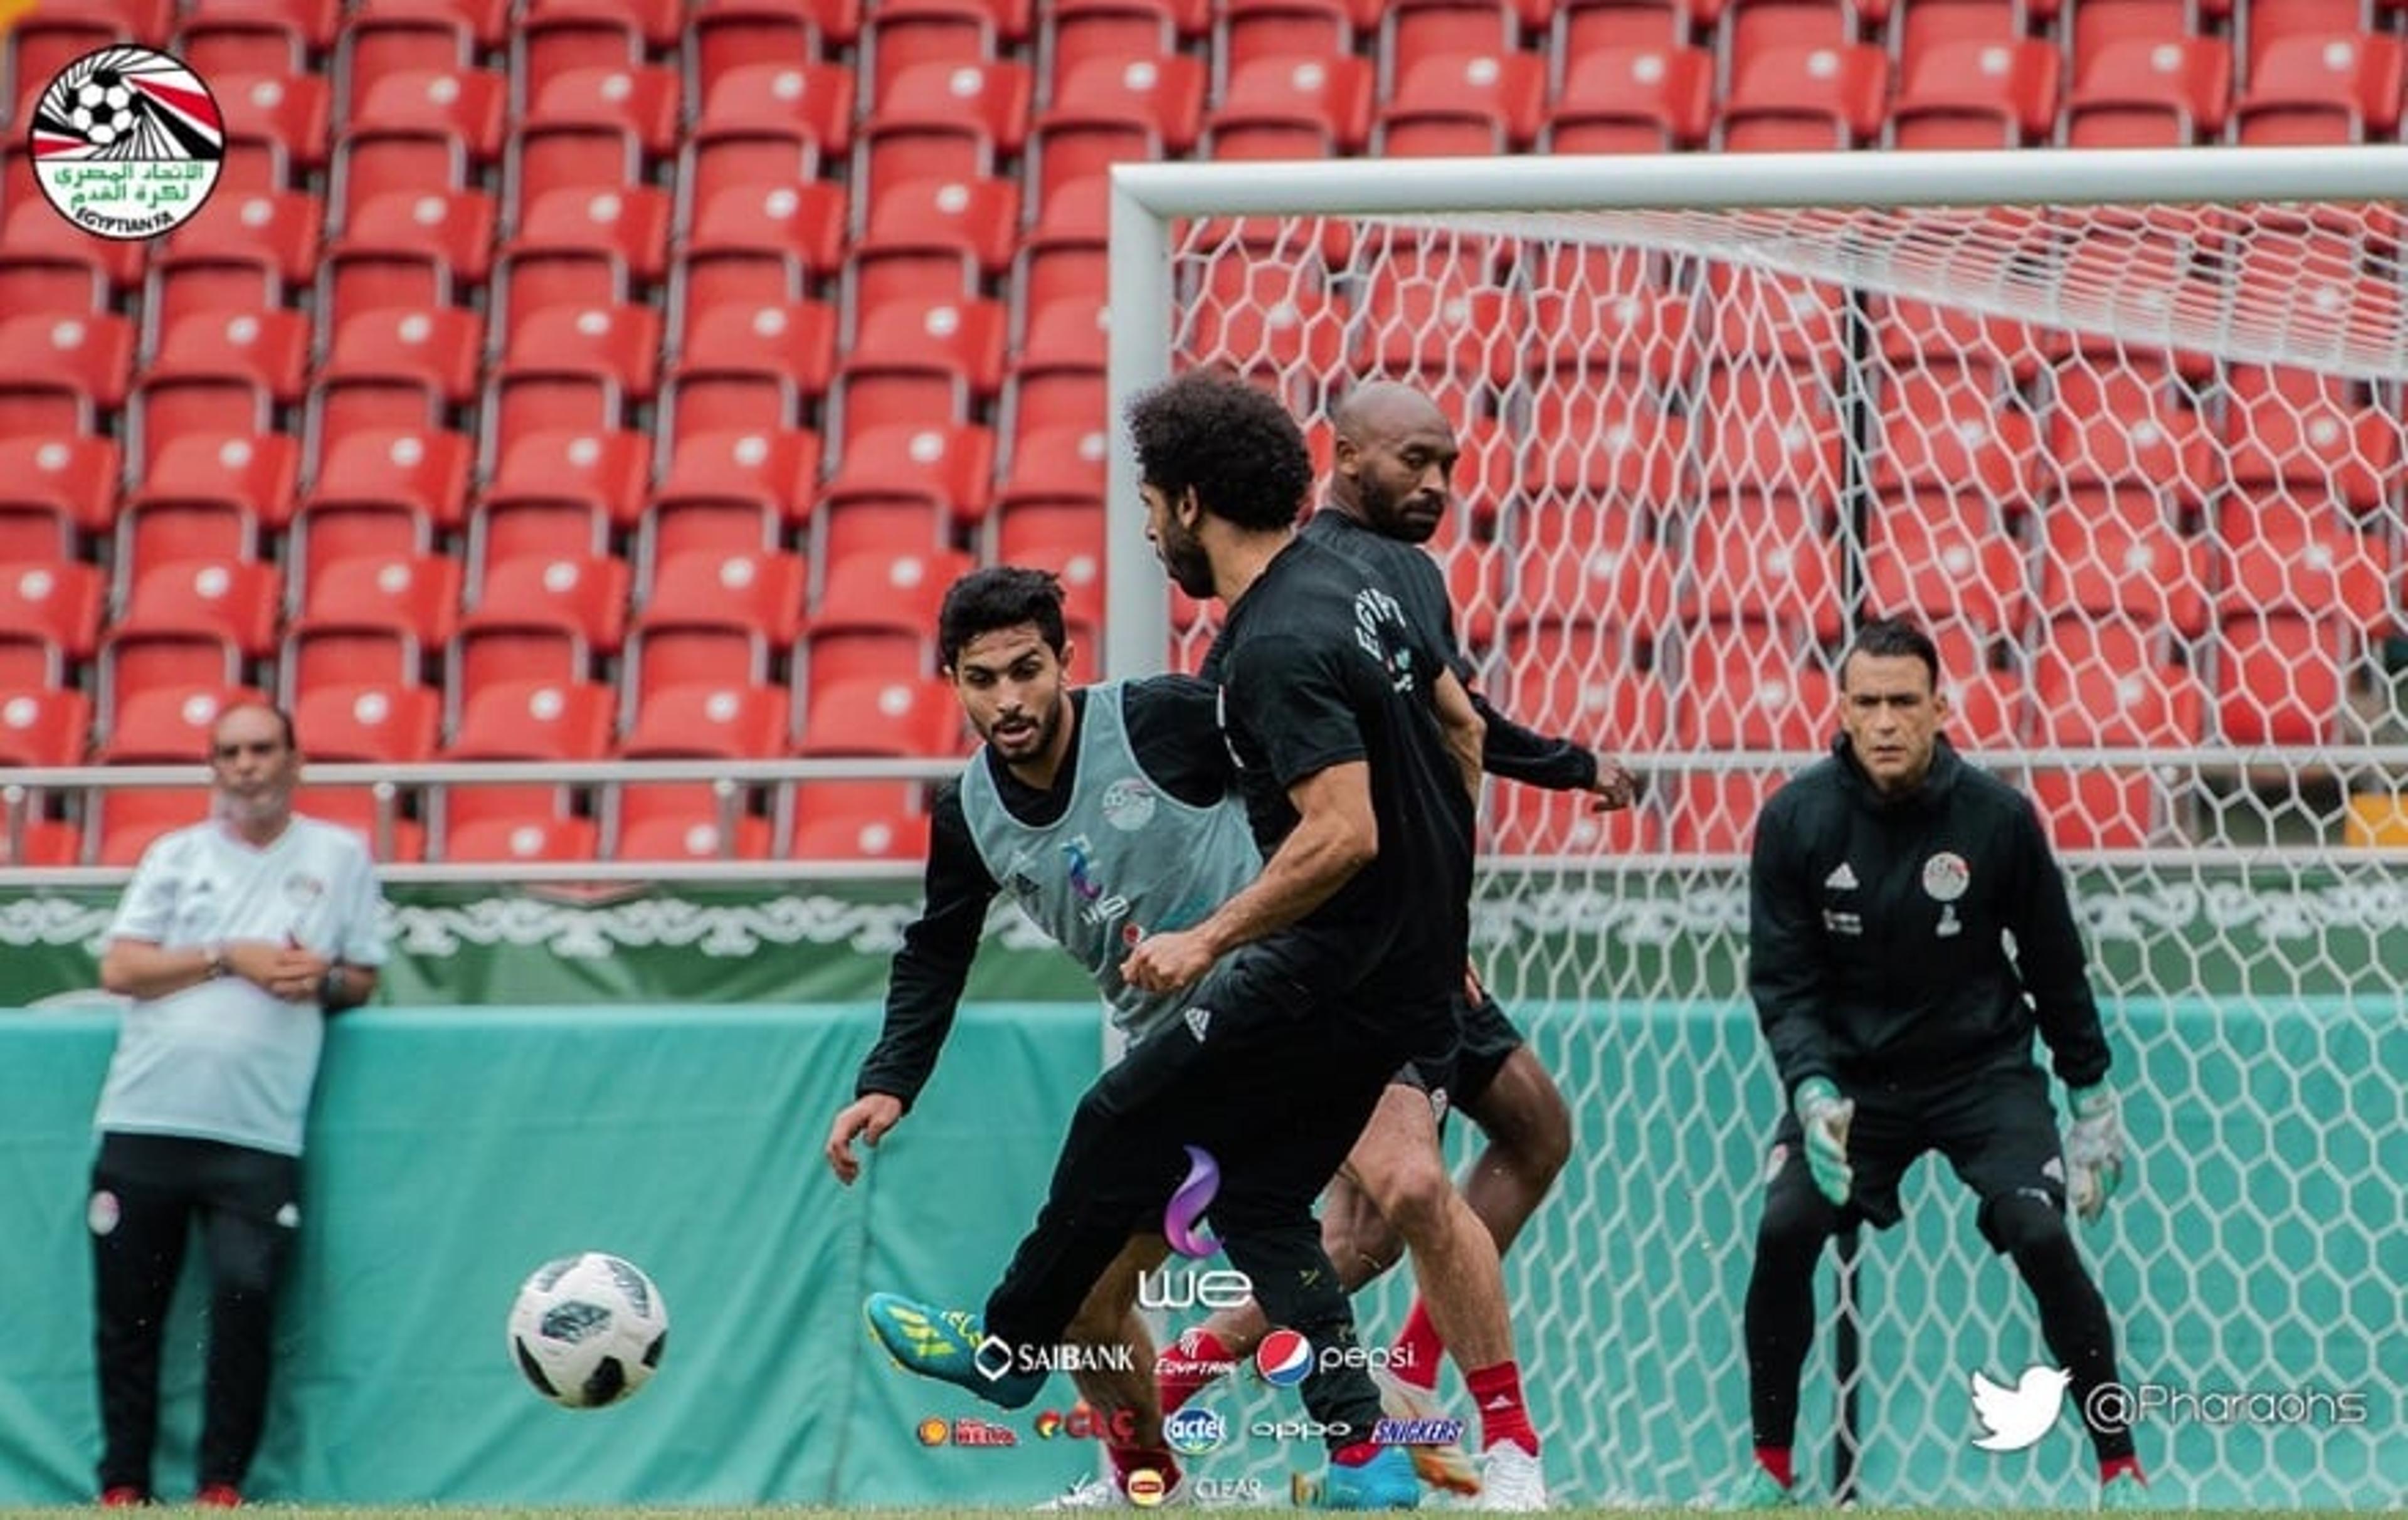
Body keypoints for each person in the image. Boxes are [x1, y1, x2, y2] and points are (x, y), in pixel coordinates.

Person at [860, 369, 1489, 1511]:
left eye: (1150, 503)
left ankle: (1002, 1353)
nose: (1146, 527)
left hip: (1312, 968)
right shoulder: (1349, 589)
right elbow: (1457, 725)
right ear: (950, 681)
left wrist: (1208, 936)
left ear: (1189, 499)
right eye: (981, 676)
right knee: (1258, 1204)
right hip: (1389, 970)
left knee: (1115, 1121)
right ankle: (1360, 1454)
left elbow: (1343, 829)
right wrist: (1441, 907)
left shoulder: (1250, 656)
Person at [1156, 381, 1631, 1496]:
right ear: (1345, 454)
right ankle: (1477, 1432)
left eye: (1451, 463)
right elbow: (1260, 789)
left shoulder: (1404, 575)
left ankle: (1335, 1371)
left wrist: (1547, 789)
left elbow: (1458, 719)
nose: (1437, 483)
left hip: (1418, 935)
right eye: (1415, 459)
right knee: (1401, 1194)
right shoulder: (1285, 609)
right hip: (1340, 953)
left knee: (1530, 1132)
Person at [825, 564, 1266, 1507]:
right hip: (1171, 1054)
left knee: (1393, 1203)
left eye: (1027, 669)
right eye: (982, 680)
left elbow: (1309, 774)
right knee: (1085, 1308)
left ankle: (1473, 1450)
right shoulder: (969, 812)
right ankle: (1152, 1488)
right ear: (953, 681)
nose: (1009, 699)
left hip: (1296, 1004)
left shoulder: (1161, 720)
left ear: (1067, 660)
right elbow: (937, 951)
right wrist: (888, 1081)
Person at [1720, 616, 2143, 1511]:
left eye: (1903, 702)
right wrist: (1813, 1087)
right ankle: (1768, 1469)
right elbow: (1783, 984)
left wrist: (2092, 1097)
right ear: (1840, 708)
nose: (1885, 722)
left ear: (1941, 707)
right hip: (1851, 1086)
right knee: (1783, 1229)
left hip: (1981, 1074)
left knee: (2039, 1233)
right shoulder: (1796, 821)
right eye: (1867, 702)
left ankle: (2121, 1466)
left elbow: (2055, 966)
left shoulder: (1997, 819)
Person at [90, 700, 388, 1507]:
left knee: (244, 1303)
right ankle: (122, 1486)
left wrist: (315, 978)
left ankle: (221, 1486)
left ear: (296, 761)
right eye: (229, 752)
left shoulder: (339, 856)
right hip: (147, 1117)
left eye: (262, 749)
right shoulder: (174, 856)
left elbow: (360, 977)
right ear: (213, 767)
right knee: (130, 1317)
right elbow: (120, 971)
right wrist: (230, 958)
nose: (246, 765)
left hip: (256, 1132)